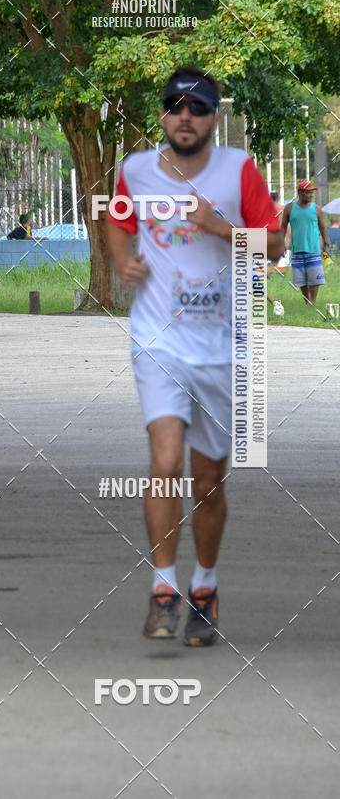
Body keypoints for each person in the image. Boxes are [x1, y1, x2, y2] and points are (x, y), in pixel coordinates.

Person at [107, 65, 284, 647]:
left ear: (213, 118)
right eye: (175, 106)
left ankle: (203, 588)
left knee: (208, 480)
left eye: (198, 108)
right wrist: (122, 261)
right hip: (158, 338)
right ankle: (163, 589)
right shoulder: (135, 169)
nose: (185, 116)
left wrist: (219, 225)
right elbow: (115, 219)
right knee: (164, 461)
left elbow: (274, 245)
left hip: (222, 346)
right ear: (162, 115)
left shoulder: (239, 170)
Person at [281, 180, 330, 305]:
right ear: (300, 193)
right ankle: (307, 302)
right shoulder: (289, 208)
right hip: (297, 250)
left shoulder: (316, 209)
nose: (311, 195)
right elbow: (282, 227)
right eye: (309, 192)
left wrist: (326, 245)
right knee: (301, 280)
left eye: (312, 192)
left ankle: (311, 303)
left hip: (313, 250)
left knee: (314, 280)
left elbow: (323, 227)